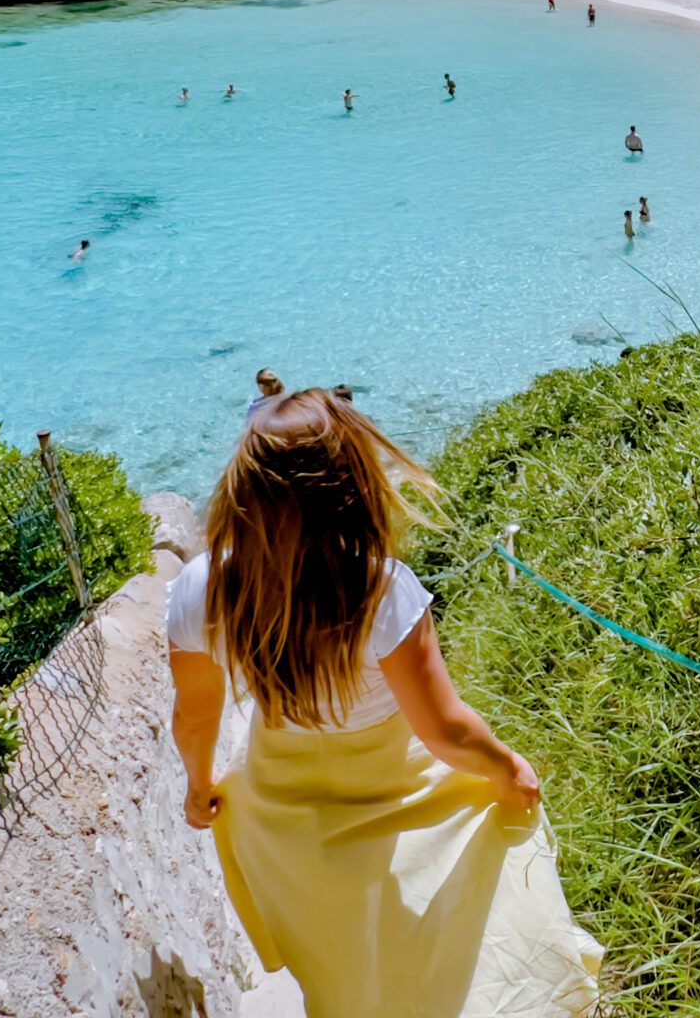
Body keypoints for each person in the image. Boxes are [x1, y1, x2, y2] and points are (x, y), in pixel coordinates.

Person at [168, 391, 601, 1017]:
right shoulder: (378, 588)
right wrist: (507, 767)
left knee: (343, 972)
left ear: (245, 487)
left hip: (286, 819)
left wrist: (199, 784)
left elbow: (197, 713)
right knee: (436, 949)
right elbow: (444, 729)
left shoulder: (201, 588)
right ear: (351, 482)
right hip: (402, 803)